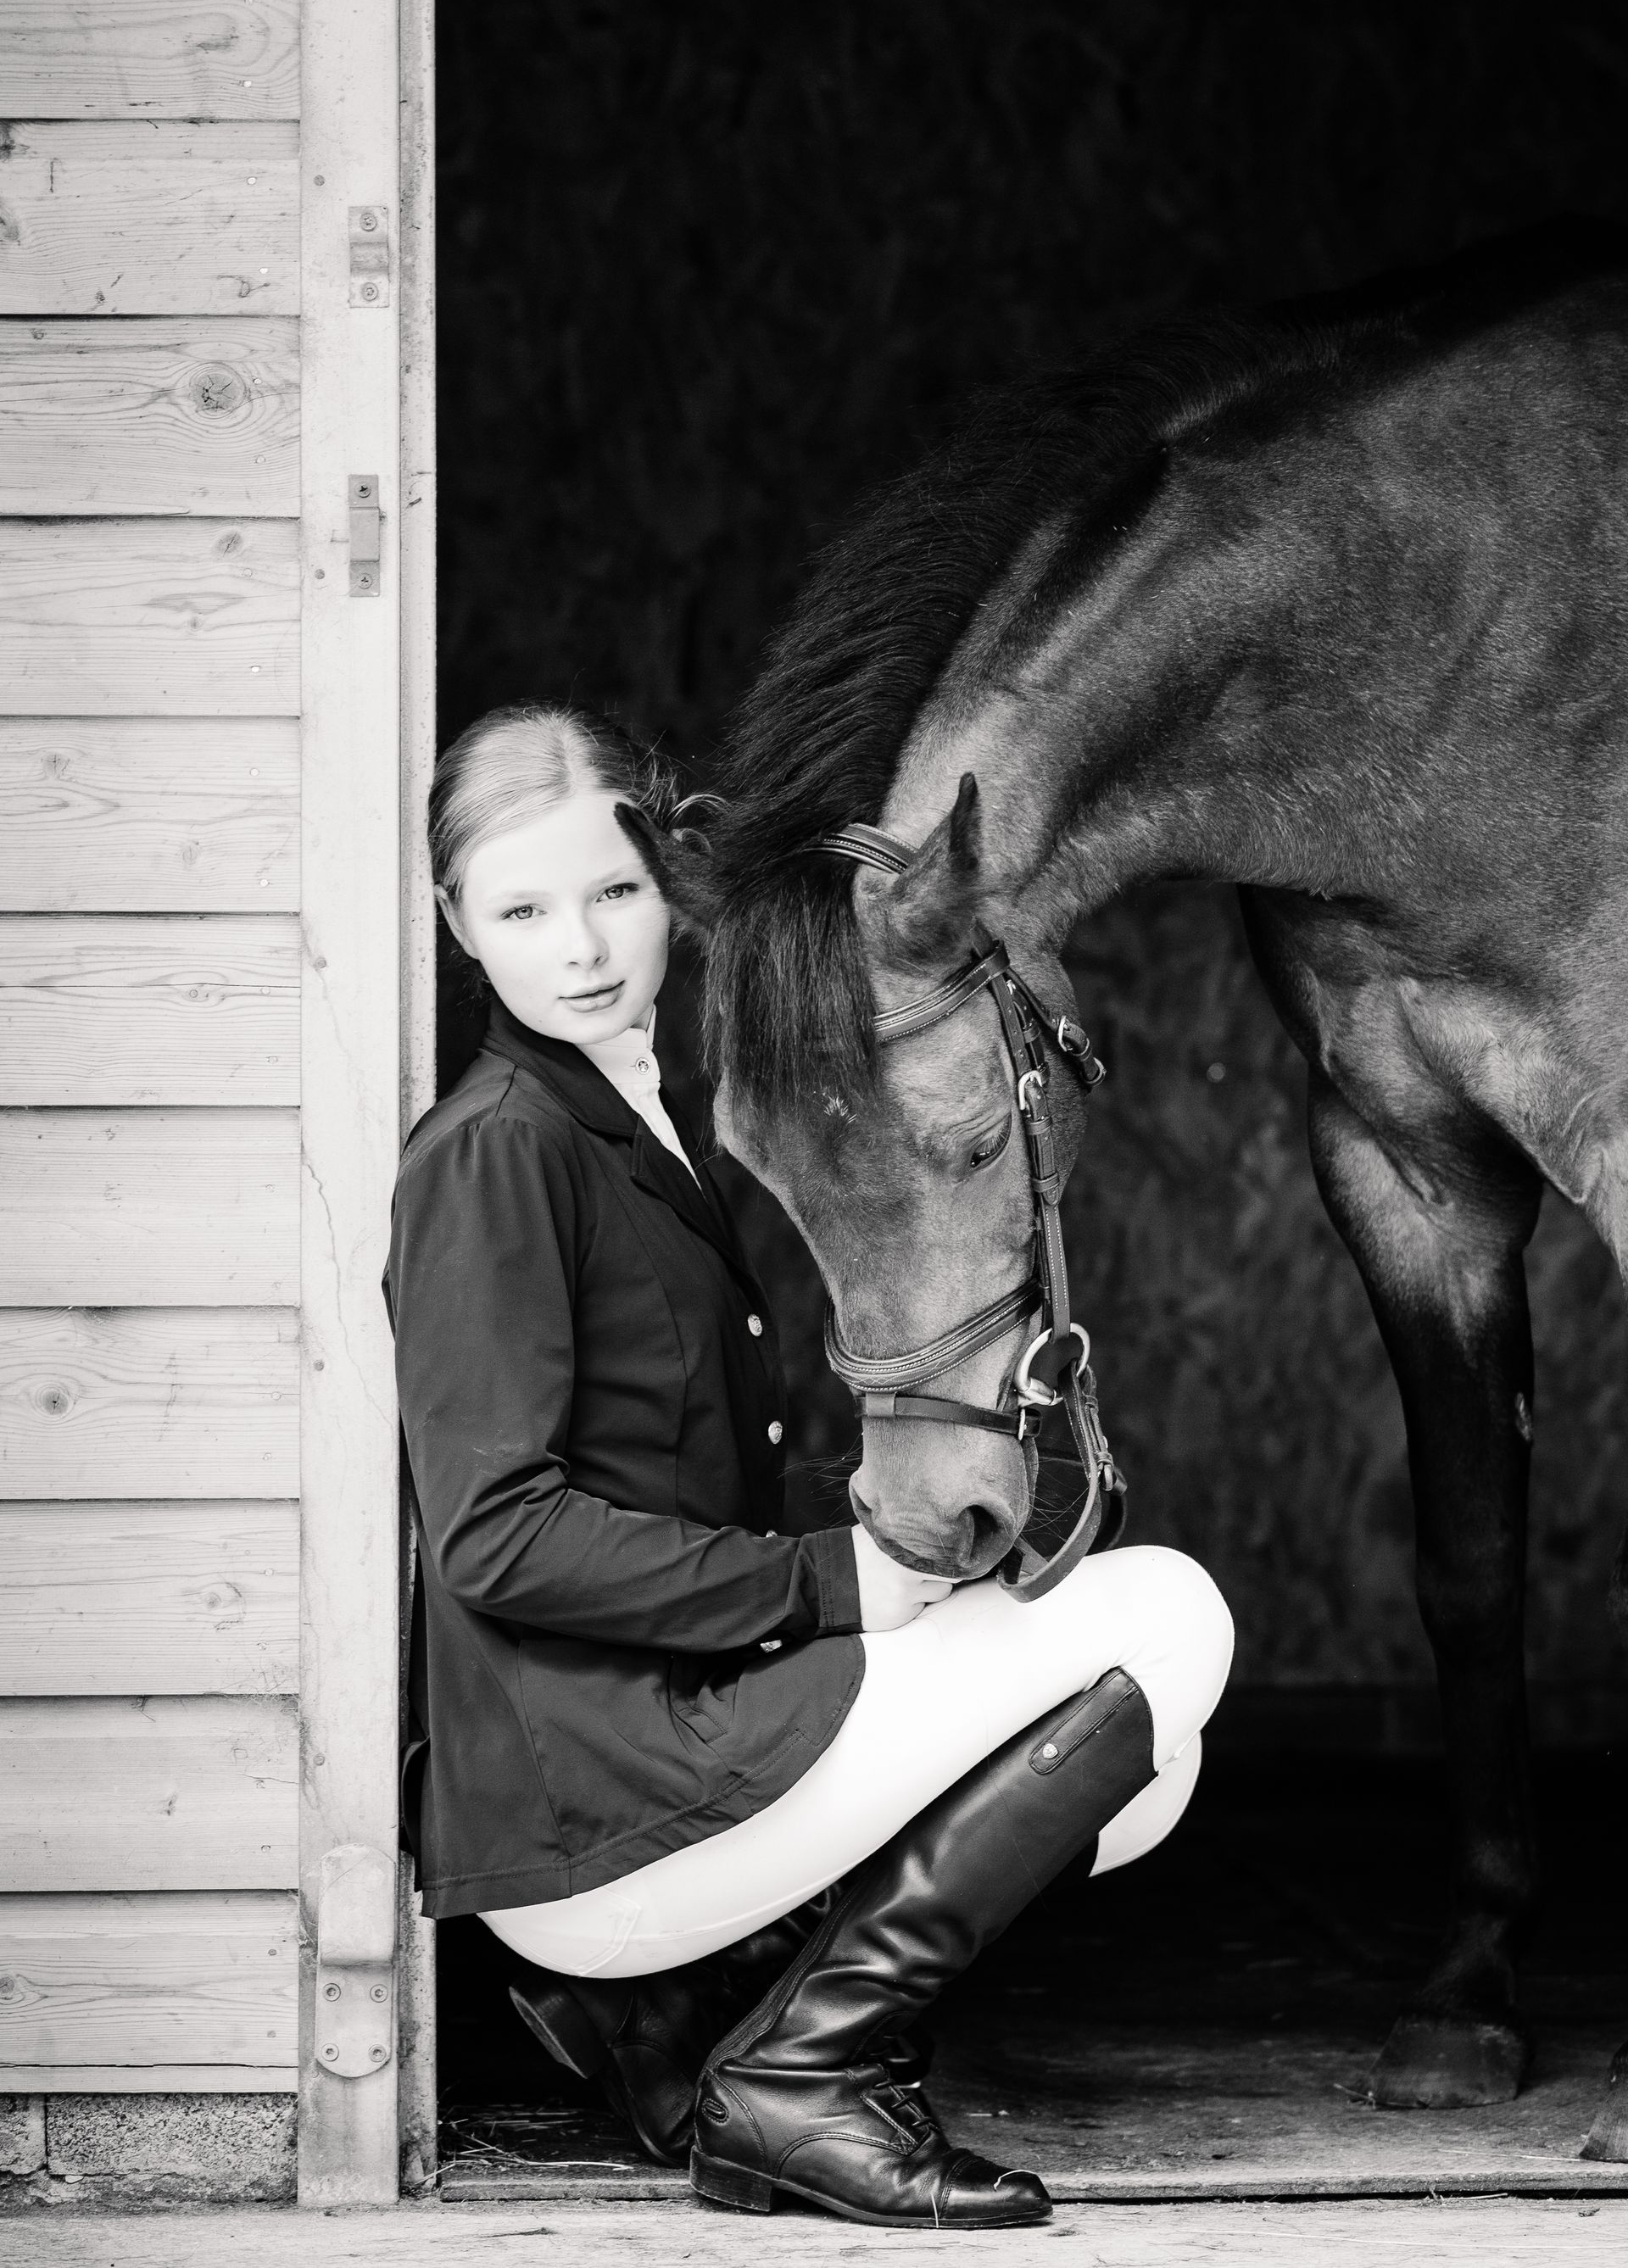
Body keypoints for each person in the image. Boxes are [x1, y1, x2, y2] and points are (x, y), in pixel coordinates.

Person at [385, 703, 1235, 2231]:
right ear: (456, 925)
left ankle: (696, 2012)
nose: (579, 948)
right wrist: (833, 1583)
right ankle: (799, 2076)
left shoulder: (639, 1126)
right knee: (1168, 1621)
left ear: (672, 893)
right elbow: (494, 1540)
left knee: (1141, 1752)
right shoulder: (494, 1151)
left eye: (613, 895)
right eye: (521, 910)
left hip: (667, 1755)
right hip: (597, 1807)